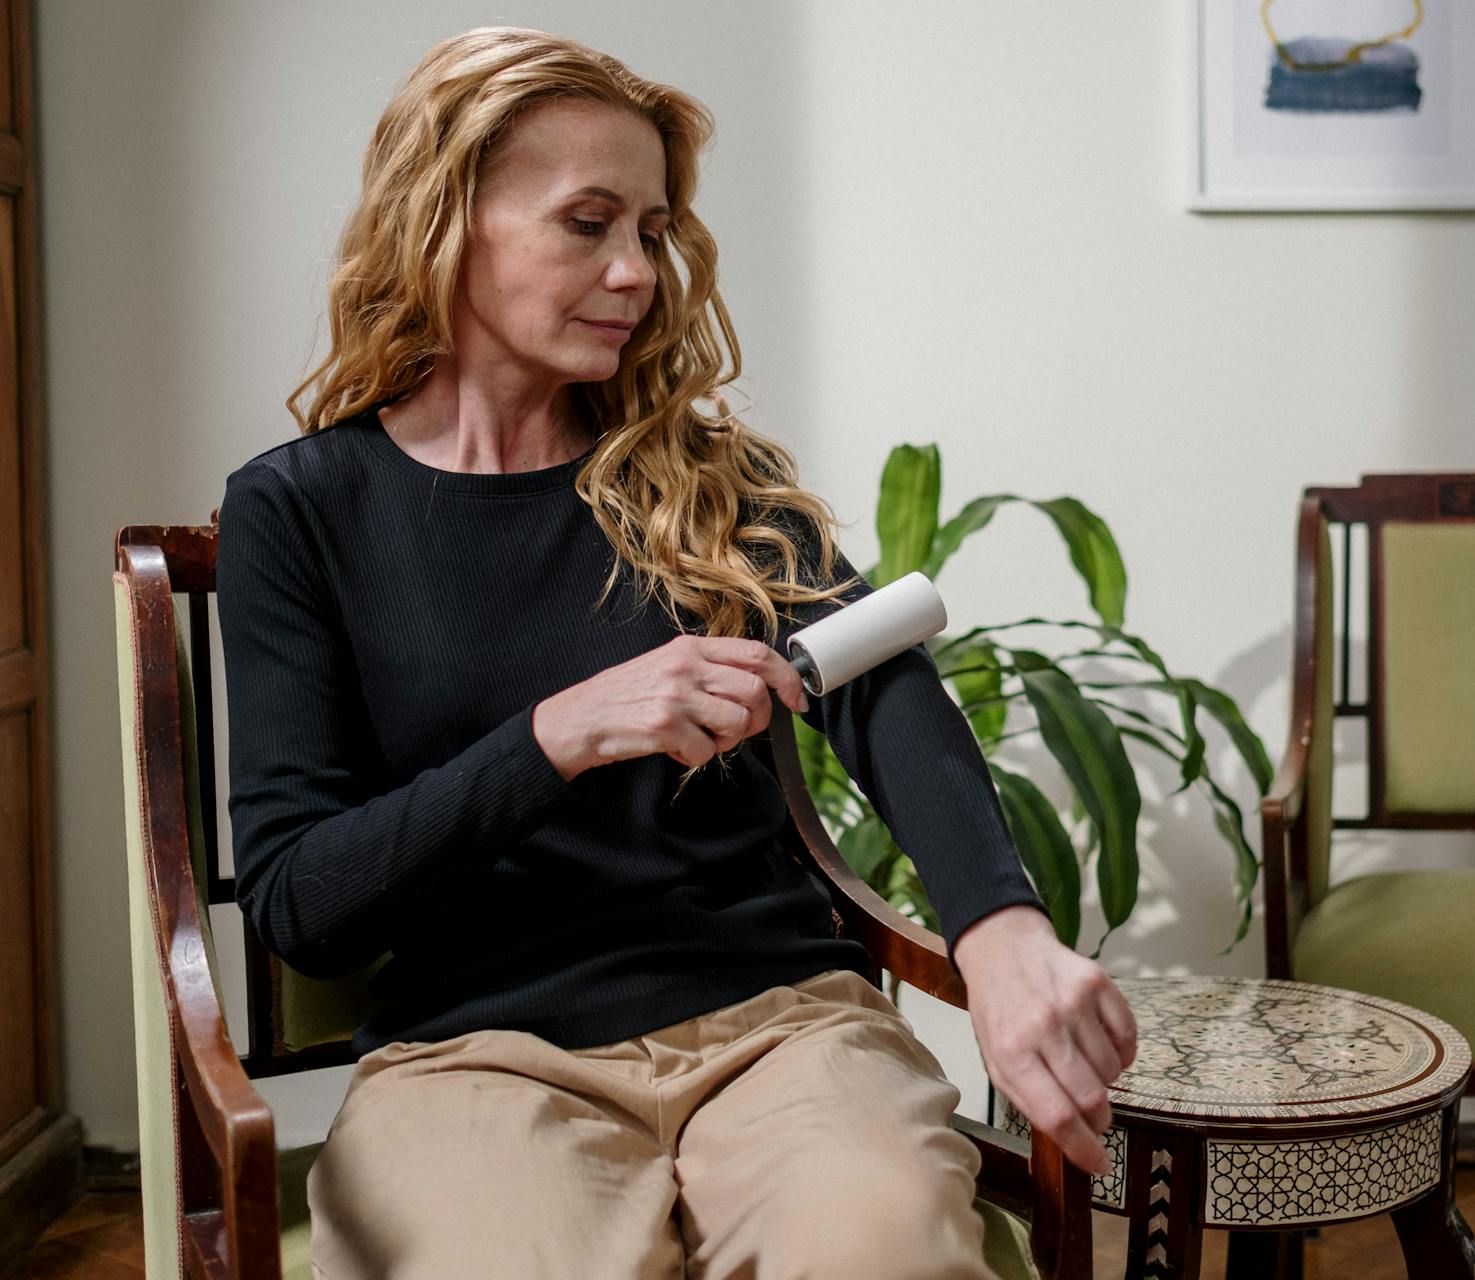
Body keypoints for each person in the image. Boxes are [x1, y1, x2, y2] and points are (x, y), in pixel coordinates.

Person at [215, 25, 1136, 1280]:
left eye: (650, 230)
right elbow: (299, 903)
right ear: (444, 224)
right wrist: (564, 729)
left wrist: (1002, 927)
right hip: (472, 1056)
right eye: (587, 223)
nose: (637, 270)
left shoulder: (702, 479)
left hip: (784, 1028)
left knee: (886, 1253)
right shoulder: (302, 510)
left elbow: (881, 688)